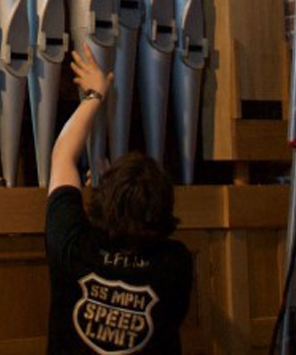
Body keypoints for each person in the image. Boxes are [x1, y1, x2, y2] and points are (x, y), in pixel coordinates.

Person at [46, 47, 193, 354]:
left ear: (103, 199)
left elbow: (62, 155)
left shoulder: (75, 248)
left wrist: (94, 95)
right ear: (164, 208)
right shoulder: (175, 263)